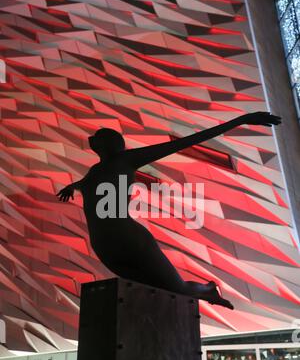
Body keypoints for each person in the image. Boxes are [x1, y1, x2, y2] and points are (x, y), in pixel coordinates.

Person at [57, 112, 281, 308]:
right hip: (104, 246)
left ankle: (206, 291)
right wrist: (73, 186)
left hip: (128, 239)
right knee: (150, 290)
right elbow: (88, 183)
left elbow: (187, 142)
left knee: (175, 288)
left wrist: (242, 120)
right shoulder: (95, 170)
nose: (91, 139)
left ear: (107, 143)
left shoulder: (126, 160)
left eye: (97, 136)